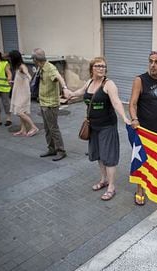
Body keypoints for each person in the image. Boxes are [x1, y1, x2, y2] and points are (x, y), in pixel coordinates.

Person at [64, 57, 130, 201]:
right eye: (98, 66)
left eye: (103, 66)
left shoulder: (109, 84)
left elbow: (116, 102)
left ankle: (111, 187)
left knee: (109, 157)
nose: (101, 68)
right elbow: (81, 92)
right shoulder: (89, 82)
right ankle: (104, 180)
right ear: (92, 68)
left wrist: (124, 117)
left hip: (107, 126)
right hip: (93, 126)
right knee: (99, 155)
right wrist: (70, 93)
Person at [129, 50, 157, 205]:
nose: (153, 65)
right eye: (151, 61)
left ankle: (152, 183)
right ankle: (140, 189)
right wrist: (134, 119)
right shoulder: (140, 80)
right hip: (144, 129)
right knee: (141, 160)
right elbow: (132, 103)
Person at [32, 48, 68, 161]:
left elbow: (59, 77)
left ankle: (61, 151)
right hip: (43, 102)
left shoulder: (50, 68)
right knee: (47, 128)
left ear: (35, 59)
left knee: (53, 128)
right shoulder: (41, 67)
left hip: (50, 104)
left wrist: (65, 88)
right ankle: (51, 149)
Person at [8, 50, 39, 137]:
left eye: (10, 58)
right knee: (22, 111)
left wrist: (29, 78)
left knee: (19, 111)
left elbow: (28, 75)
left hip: (23, 93)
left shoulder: (22, 66)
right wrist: (14, 81)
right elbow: (22, 78)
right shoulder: (18, 67)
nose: (9, 59)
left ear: (14, 58)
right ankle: (23, 130)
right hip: (19, 91)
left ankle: (33, 127)